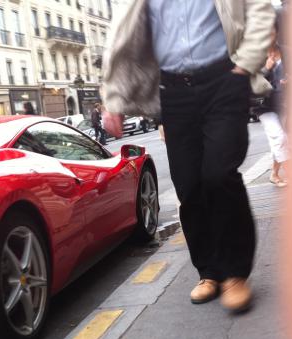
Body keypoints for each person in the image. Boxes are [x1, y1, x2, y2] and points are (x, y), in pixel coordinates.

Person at [101, 0, 275, 313]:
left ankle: (235, 273)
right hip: (174, 92)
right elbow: (121, 36)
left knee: (219, 173)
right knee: (188, 184)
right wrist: (113, 99)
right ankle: (209, 271)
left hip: (225, 79)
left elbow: (260, 9)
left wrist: (245, 65)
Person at [258, 37, 288, 187]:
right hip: (264, 106)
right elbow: (250, 80)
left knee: (283, 139)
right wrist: (266, 69)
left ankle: (274, 174)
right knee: (279, 137)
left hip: (284, 103)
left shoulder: (286, 51)